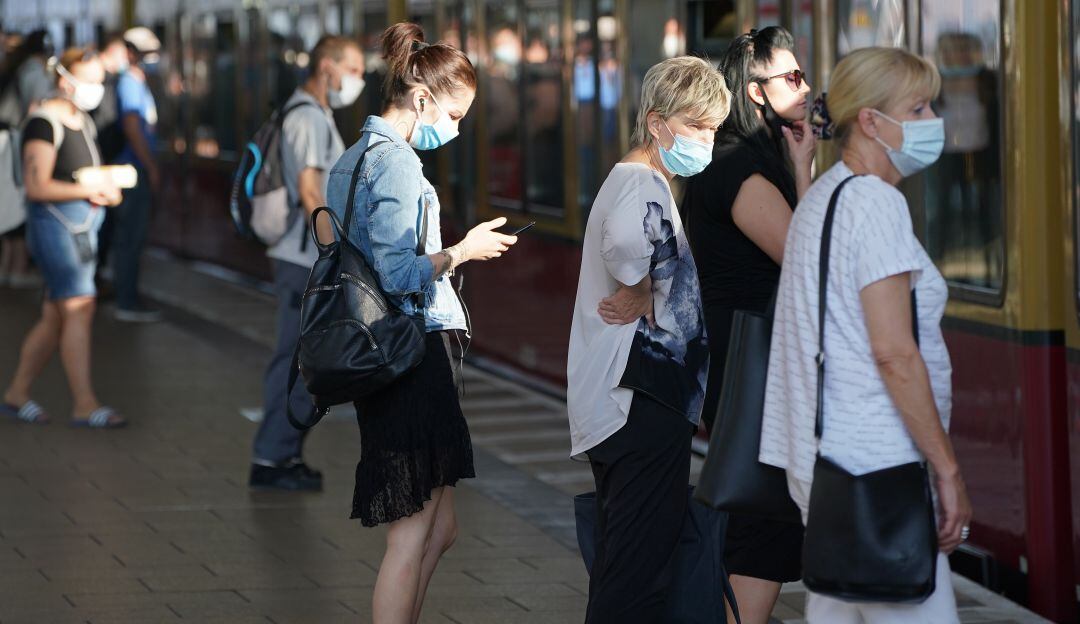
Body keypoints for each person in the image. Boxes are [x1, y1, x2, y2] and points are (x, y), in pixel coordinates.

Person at [760, 46, 972, 623]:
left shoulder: (822, 199)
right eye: (918, 108)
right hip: (878, 471)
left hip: (824, 466)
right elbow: (895, 354)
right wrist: (948, 470)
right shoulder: (877, 205)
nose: (933, 121)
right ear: (872, 122)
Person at [325, 22, 516, 624]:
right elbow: (399, 273)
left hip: (381, 349)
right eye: (454, 115)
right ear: (422, 98)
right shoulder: (398, 164)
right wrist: (462, 251)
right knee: (410, 535)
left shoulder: (351, 158)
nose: (454, 128)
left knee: (441, 526)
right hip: (410, 353)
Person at [567, 56, 729, 623]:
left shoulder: (633, 179)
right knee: (637, 576)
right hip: (641, 398)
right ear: (657, 122)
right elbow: (625, 244)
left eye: (713, 127)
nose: (706, 139)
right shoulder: (642, 184)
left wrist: (647, 287)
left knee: (624, 562)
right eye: (696, 125)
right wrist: (643, 286)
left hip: (631, 399)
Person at [682, 27, 814, 624]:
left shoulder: (744, 160)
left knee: (766, 515)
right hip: (753, 364)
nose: (805, 87)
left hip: (746, 359)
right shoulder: (739, 166)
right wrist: (804, 169)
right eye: (792, 77)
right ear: (757, 93)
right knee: (766, 518)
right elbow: (804, 256)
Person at [248, 35, 365, 492]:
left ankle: (284, 454)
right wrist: (334, 257)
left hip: (304, 258)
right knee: (296, 360)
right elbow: (311, 193)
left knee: (304, 360)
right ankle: (272, 458)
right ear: (326, 66)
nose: (358, 79)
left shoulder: (312, 114)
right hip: (305, 261)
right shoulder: (308, 118)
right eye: (353, 69)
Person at [1, 48, 125, 428]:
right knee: (79, 306)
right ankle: (84, 404)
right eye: (88, 81)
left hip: (82, 228)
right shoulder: (43, 123)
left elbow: (86, 172)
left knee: (56, 317)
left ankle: (16, 393)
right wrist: (90, 190)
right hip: (54, 231)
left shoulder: (82, 120)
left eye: (99, 81)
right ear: (64, 81)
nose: (95, 89)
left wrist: (107, 188)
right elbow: (37, 186)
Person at [110, 26, 161, 322]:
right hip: (133, 170)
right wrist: (150, 166)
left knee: (133, 236)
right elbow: (132, 127)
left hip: (137, 167)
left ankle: (128, 295)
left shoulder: (138, 82)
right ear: (131, 54)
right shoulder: (130, 83)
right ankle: (126, 301)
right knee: (131, 236)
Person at [0, 29, 53, 289]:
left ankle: (8, 267)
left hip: (7, 140)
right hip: (14, 143)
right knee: (17, 205)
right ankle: (17, 268)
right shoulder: (34, 71)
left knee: (7, 204)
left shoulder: (17, 67)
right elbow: (36, 109)